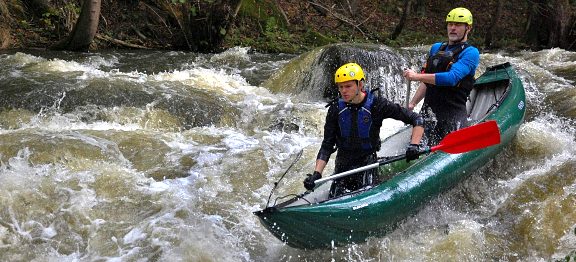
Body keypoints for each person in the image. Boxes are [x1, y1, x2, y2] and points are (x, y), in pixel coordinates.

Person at [303, 62, 425, 197]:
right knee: (335, 197)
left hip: (368, 164)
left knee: (365, 193)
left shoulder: (377, 105)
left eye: (348, 86)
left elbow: (416, 119)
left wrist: (414, 145)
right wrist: (317, 174)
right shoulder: (335, 109)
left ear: (360, 85)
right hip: (343, 165)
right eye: (341, 87)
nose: (343, 91)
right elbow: (327, 145)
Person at [403, 7, 480, 145]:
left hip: (453, 115)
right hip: (428, 113)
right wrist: (412, 103)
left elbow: (451, 78)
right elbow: (427, 80)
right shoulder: (436, 48)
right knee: (415, 149)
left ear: (468, 28)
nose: (453, 28)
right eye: (450, 24)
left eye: (457, 25)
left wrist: (416, 76)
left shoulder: (471, 53)